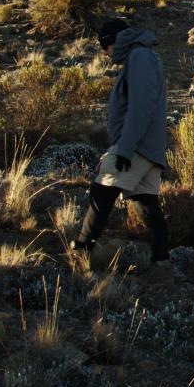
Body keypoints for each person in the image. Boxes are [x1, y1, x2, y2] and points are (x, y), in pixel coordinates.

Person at [70, 18, 171, 263]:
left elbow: (141, 106)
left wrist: (124, 148)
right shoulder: (140, 57)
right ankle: (161, 266)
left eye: (105, 48)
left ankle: (82, 250)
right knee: (145, 205)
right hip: (147, 146)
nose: (106, 54)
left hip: (137, 146)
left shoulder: (139, 58)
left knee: (102, 190)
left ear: (113, 42)